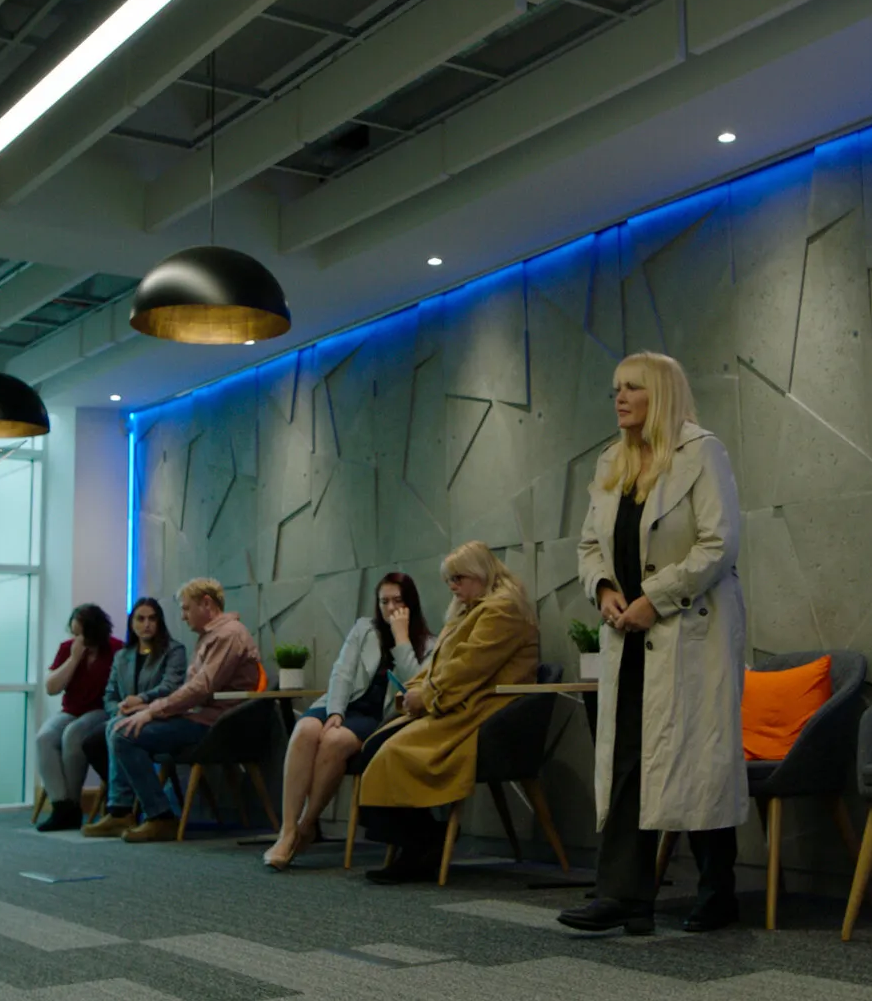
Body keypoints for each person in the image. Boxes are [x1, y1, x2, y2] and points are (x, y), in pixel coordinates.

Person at [559, 351, 748, 936]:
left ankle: (719, 892)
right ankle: (624, 895)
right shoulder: (612, 461)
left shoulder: (702, 452)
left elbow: (720, 545)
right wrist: (606, 589)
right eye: (615, 388)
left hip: (690, 633)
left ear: (659, 394)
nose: (618, 398)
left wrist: (655, 596)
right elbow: (590, 544)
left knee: (697, 759)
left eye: (631, 388)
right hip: (628, 635)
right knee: (626, 761)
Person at [356, 541, 539, 884]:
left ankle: (422, 844)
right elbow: (442, 664)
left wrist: (426, 696)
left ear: (481, 573)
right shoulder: (472, 610)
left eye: (458, 579)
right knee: (374, 747)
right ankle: (422, 841)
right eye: (450, 581)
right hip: (459, 703)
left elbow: (469, 668)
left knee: (390, 752)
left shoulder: (501, 611)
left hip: (480, 712)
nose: (453, 587)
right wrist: (416, 689)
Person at [263, 572, 435, 870]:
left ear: (411, 604)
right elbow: (342, 672)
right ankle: (288, 830)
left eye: (397, 601)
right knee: (305, 729)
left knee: (335, 740)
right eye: (384, 601)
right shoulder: (364, 629)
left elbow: (415, 685)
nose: (390, 608)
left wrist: (402, 637)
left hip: (376, 717)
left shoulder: (429, 644)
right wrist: (335, 712)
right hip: (343, 704)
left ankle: (307, 824)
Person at [82, 578, 261, 842]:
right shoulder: (210, 637)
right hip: (200, 717)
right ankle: (122, 812)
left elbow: (200, 688)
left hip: (217, 726)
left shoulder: (228, 635)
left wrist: (152, 711)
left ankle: (160, 817)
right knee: (117, 726)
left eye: (187, 609)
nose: (183, 616)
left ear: (207, 604)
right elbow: (193, 690)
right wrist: (148, 708)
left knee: (124, 734)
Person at [81, 597, 190, 805]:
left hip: (158, 716)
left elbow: (170, 687)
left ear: (160, 622)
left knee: (117, 730)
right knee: (91, 743)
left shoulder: (173, 651)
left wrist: (141, 700)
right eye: (140, 619)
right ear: (132, 623)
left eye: (152, 619)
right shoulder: (122, 656)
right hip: (126, 715)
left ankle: (120, 807)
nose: (146, 624)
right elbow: (110, 695)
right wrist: (119, 710)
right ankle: (130, 796)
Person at [33, 604, 124, 831]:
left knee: (73, 735)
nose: (76, 638)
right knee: (44, 738)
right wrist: (73, 659)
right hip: (70, 710)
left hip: (101, 710)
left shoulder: (116, 650)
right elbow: (52, 687)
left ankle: (72, 802)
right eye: (74, 633)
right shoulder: (68, 649)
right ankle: (62, 805)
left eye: (81, 634)